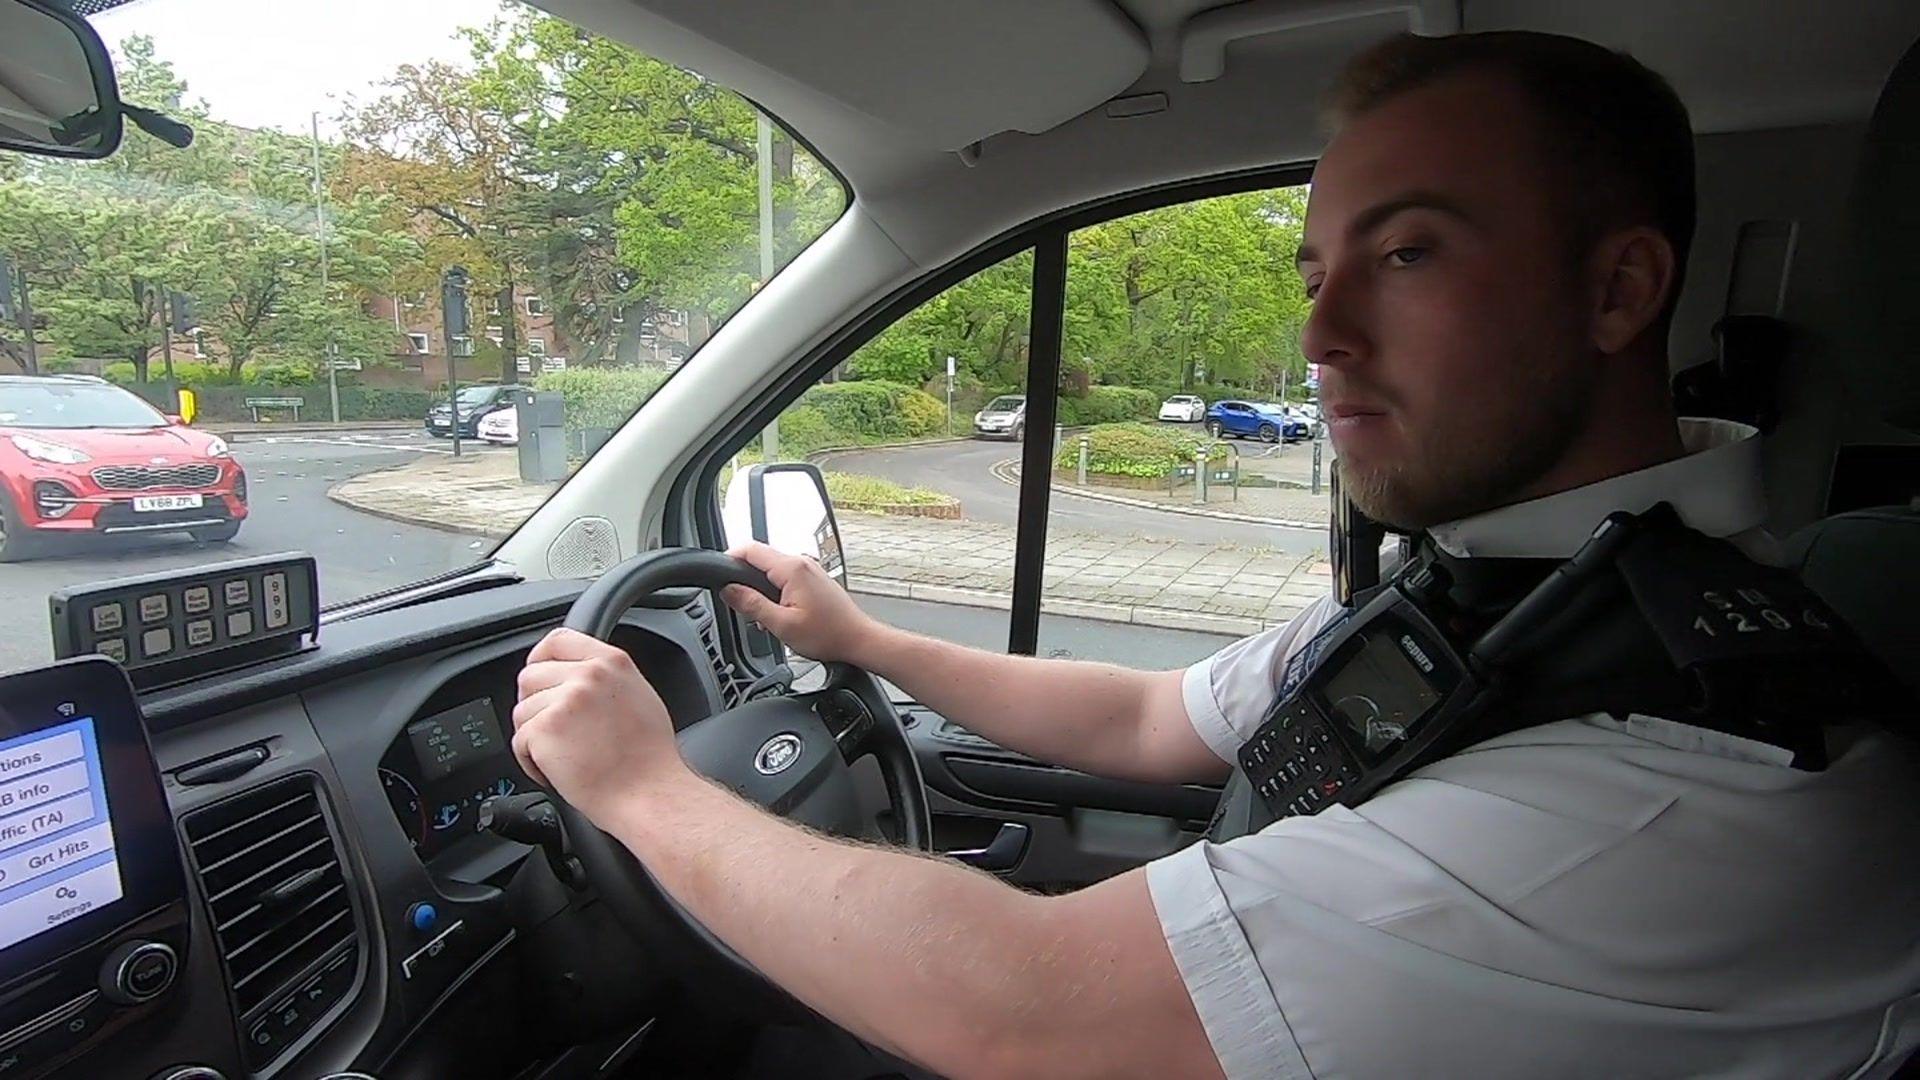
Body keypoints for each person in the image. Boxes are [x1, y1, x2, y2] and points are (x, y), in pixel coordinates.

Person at [509, 31, 1920, 1079]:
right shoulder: (1515, 595)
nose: (1319, 336)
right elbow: (1143, 714)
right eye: (1317, 272)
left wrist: (642, 786)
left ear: (1619, 290)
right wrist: (863, 640)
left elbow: (1021, 1008)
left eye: (1409, 253)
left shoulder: (1693, 775)